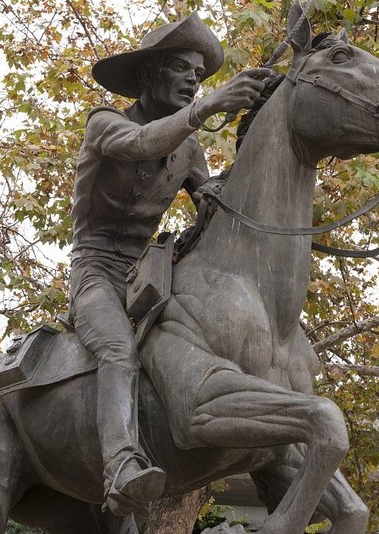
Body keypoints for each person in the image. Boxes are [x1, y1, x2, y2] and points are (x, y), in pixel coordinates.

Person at [69, 12, 272, 516]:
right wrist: (206, 107)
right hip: (96, 272)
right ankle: (120, 466)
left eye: (199, 76)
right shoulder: (104, 123)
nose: (192, 81)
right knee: (117, 350)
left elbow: (207, 197)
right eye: (182, 68)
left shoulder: (190, 146)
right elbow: (141, 143)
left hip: (148, 277)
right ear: (147, 74)